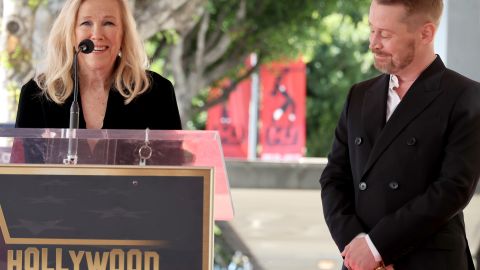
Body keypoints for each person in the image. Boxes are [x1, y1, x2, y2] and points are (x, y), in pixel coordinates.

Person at [319, 0, 480, 269]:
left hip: (429, 262)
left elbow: (452, 189)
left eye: (385, 34)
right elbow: (334, 178)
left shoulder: (466, 96)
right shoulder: (359, 95)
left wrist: (378, 246)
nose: (373, 43)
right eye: (372, 30)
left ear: (426, 33)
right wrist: (357, 244)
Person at [15, 0, 181, 130]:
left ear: (123, 34)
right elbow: (22, 171)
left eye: (108, 23)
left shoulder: (158, 92)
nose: (97, 35)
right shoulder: (35, 94)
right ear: (70, 34)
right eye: (86, 23)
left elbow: (172, 169)